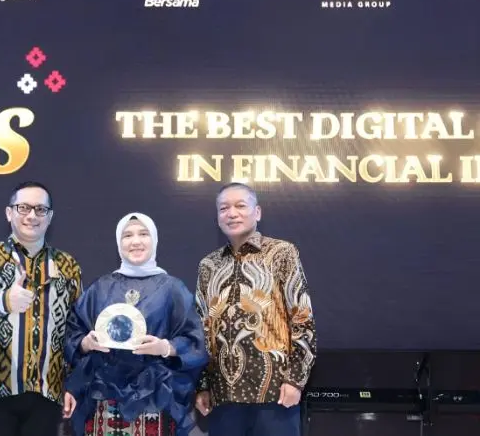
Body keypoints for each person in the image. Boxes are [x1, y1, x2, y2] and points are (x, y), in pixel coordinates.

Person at [64, 212, 209, 436]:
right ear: (118, 242)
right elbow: (73, 333)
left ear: (154, 240)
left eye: (143, 234)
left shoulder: (172, 289)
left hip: (156, 395)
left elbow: (195, 340)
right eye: (127, 235)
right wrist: (86, 343)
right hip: (103, 396)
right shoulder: (101, 288)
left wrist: (165, 347)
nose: (136, 241)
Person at [0, 181, 82, 436]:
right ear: (9, 213)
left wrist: (73, 383)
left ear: (50, 217)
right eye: (23, 208)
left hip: (47, 393)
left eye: (40, 209)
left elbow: (74, 329)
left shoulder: (67, 265)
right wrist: (4, 301)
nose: (32, 216)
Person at [194, 183, 317, 436]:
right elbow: (202, 327)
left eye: (240, 206)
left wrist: (295, 380)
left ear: (257, 212)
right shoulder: (208, 265)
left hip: (275, 393)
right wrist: (202, 385)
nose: (232, 213)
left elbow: (302, 318)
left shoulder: (282, 253)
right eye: (224, 208)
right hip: (222, 395)